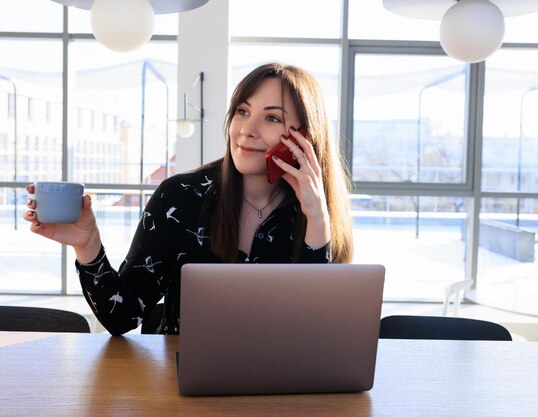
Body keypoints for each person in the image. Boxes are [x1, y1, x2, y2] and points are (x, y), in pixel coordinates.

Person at [24, 62, 353, 335]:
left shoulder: (318, 213)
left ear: (303, 138)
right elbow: (121, 318)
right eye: (242, 111)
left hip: (282, 392)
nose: (245, 130)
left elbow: (316, 333)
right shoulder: (180, 197)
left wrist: (317, 222)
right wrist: (87, 245)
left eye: (271, 118)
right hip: (181, 390)